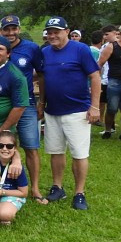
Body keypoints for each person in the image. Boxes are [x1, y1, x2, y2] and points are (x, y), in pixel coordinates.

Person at [40, 17, 101, 210]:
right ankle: (58, 187)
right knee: (56, 151)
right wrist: (42, 102)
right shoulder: (45, 52)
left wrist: (95, 106)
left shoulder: (80, 49)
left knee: (79, 153)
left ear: (67, 31)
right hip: (52, 111)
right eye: (49, 32)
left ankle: (79, 192)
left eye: (56, 31)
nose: (52, 35)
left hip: (78, 111)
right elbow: (42, 79)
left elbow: (94, 76)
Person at [0, 15, 46, 202]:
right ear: (1, 30)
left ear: (19, 29)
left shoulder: (31, 48)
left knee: (31, 146)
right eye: (6, 29)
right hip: (4, 104)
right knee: (2, 144)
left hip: (26, 105)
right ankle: (2, 182)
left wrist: (41, 101)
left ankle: (34, 188)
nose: (10, 33)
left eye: (13, 29)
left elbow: (41, 75)